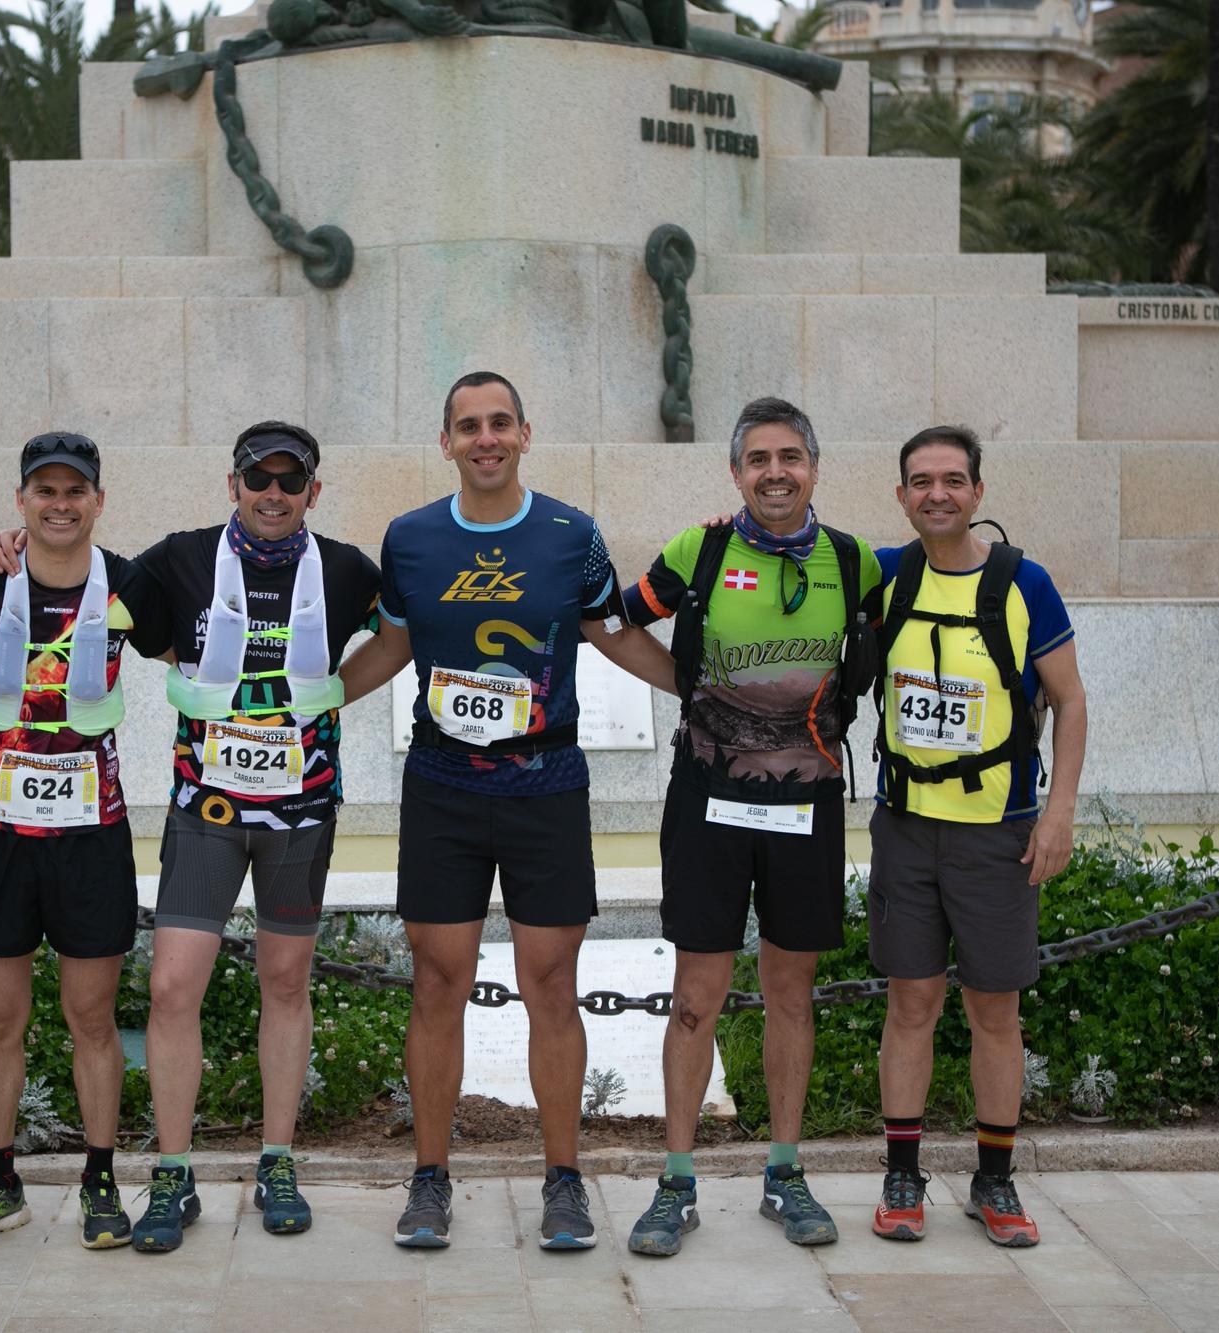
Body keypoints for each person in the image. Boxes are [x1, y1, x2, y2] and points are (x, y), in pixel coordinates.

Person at [340, 371, 675, 1251]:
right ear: (445, 441)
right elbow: (391, 647)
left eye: (499, 423)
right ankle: (429, 1179)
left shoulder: (572, 533)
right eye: (467, 426)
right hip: (444, 786)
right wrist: (302, 703)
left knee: (552, 984)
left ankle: (563, 1179)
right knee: (438, 982)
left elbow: (612, 631)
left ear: (526, 432)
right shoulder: (410, 539)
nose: (484, 438)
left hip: (548, 785)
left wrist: (701, 690)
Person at [615, 397, 880, 1256]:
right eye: (759, 458)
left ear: (814, 467)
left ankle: (785, 1172)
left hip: (807, 803)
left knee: (789, 993)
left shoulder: (855, 562)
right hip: (706, 798)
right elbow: (612, 622)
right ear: (736, 471)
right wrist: (691, 688)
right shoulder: (702, 550)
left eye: (791, 457)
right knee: (697, 998)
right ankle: (677, 1181)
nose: (776, 472)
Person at [116, 421, 382, 1251]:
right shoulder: (178, 558)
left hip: (301, 817)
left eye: (290, 481)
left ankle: (276, 1159)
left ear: (313, 490)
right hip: (209, 813)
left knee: (287, 983)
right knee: (171, 987)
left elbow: (406, 630)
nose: (273, 494)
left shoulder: (342, 569)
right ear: (230, 483)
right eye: (257, 479)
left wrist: (336, 693)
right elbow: (111, 609)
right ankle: (172, 1172)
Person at [0, 433, 145, 1254]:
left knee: (92, 1015)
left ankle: (100, 1180)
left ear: (97, 500)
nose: (59, 504)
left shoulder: (128, 581)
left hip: (92, 835)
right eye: (43, 491)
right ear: (20, 500)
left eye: (74, 490)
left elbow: (205, 635)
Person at [867, 426, 1087, 1249]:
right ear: (901, 496)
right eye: (920, 481)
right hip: (906, 826)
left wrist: (1059, 808)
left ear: (977, 493)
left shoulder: (1025, 582)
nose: (937, 494)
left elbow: (1071, 700)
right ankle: (902, 1173)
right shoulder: (883, 576)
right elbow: (794, 549)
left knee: (996, 1008)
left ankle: (994, 1181)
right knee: (911, 1002)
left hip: (999, 833)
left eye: (953, 479)